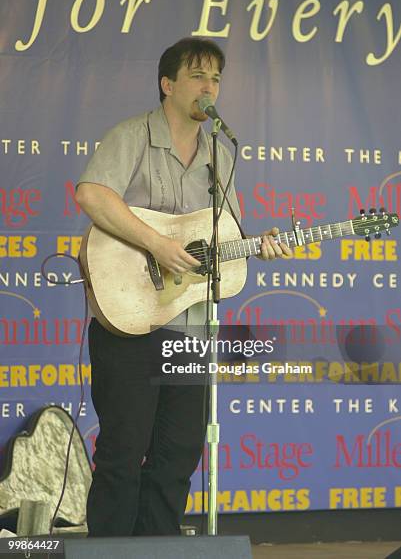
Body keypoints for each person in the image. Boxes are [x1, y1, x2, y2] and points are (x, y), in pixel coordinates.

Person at [75, 37, 291, 537]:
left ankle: (160, 546)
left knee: (179, 450)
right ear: (167, 84)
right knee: (124, 450)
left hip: (190, 324)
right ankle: (109, 550)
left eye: (215, 78)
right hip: (127, 317)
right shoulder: (132, 135)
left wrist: (262, 244)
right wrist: (155, 243)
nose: (208, 86)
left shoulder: (220, 152)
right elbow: (91, 194)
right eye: (197, 76)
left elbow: (226, 237)